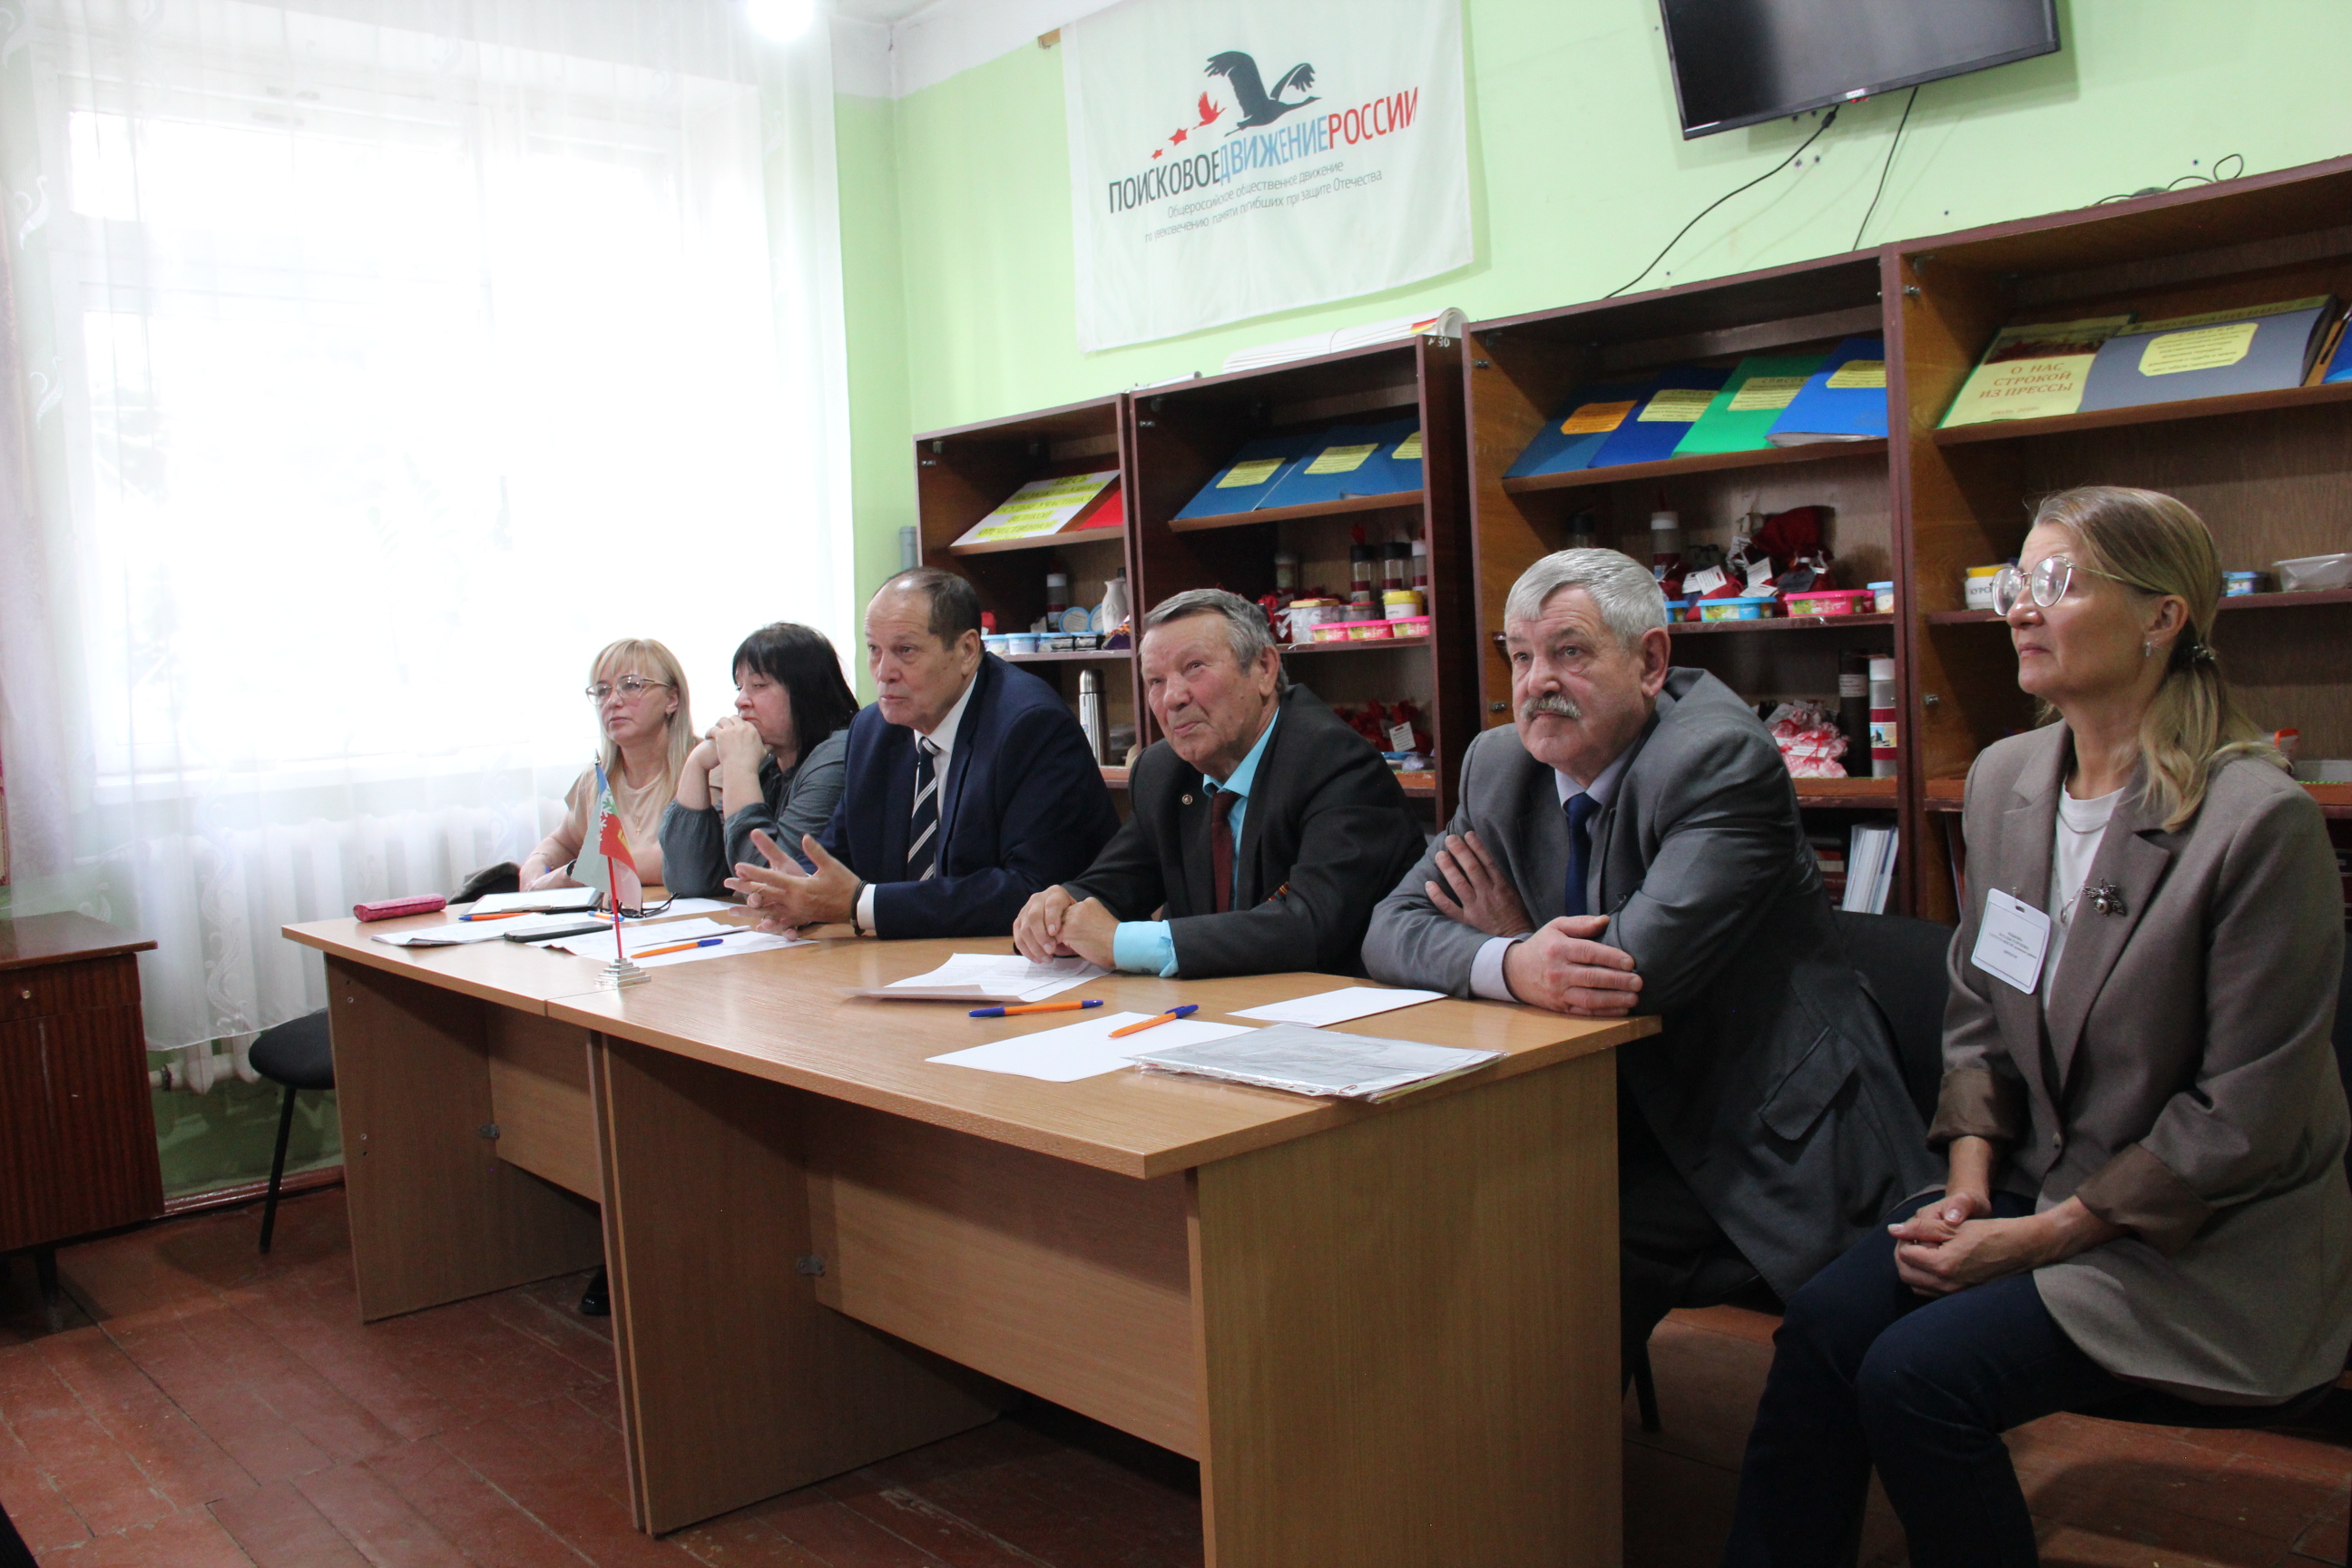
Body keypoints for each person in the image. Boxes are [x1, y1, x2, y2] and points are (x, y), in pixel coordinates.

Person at [1723, 487, 2352, 1568]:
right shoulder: (2008, 778)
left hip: (2199, 1236)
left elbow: (2242, 1118)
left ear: (2163, 618)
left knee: (1916, 1379)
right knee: (1827, 1325)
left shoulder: (2258, 824)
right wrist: (1967, 1185)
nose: (2019, 607)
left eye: (2055, 583)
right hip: (2032, 1181)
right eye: (2016, 583)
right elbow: (1980, 1010)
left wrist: (2040, 1238)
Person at [1362, 547, 1932, 1378]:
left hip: (1748, 1123)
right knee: (1421, 1207)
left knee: (1544, 1252)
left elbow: (1631, 973)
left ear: (1651, 662)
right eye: (1520, 657)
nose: (1537, 683)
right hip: (1598, 1103)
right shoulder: (1500, 763)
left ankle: (1545, 1447)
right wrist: (1517, 959)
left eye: (1570, 652)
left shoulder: (1719, 758)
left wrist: (1515, 936)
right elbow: (1388, 928)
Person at [1013, 589, 1425, 977]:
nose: (1172, 698)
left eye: (1194, 667)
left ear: (1264, 669)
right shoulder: (1162, 771)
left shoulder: (1335, 763)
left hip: (1342, 1011)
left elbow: (1310, 926)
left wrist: (1120, 943)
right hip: (1216, 1008)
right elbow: (1115, 886)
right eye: (1155, 681)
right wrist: (1058, 908)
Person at [728, 568, 1120, 938]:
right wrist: (799, 890)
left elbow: (1031, 888)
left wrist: (861, 904)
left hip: (1030, 962)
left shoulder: (1029, 726)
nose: (883, 672)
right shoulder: (873, 730)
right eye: (874, 649)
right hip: (910, 959)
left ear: (966, 650)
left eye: (905, 650)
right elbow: (839, 856)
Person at [659, 622, 858, 898]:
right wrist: (696, 764)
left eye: (759, 685)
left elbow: (769, 884)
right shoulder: (768, 763)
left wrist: (739, 769)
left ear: (807, 690)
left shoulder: (839, 754)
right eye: (740, 687)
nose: (741, 701)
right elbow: (690, 880)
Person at [519, 638, 693, 892]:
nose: (612, 701)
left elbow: (679, 859)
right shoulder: (596, 778)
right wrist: (536, 864)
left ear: (672, 699)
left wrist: (573, 875)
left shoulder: (704, 764)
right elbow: (563, 842)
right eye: (602, 691)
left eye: (631, 685)